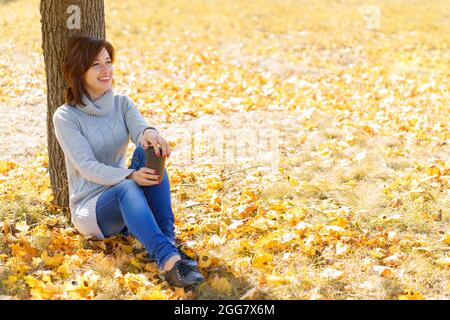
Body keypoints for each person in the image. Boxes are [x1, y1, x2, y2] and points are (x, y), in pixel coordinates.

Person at [52, 36, 204, 288]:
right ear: (79, 71)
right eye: (96, 64)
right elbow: (86, 167)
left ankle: (170, 245)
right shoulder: (66, 116)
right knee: (126, 186)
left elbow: (140, 129)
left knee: (150, 151)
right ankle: (168, 261)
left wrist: (151, 135)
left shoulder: (122, 103)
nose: (106, 70)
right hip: (92, 206)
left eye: (108, 62)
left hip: (124, 193)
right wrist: (129, 176)